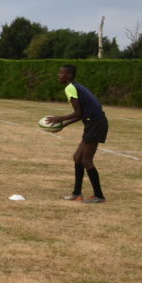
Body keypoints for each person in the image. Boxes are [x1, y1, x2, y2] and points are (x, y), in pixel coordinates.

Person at [45, 64, 108, 203]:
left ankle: (99, 196)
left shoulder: (70, 88)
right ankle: (76, 194)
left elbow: (78, 113)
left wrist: (59, 119)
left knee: (86, 160)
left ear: (69, 75)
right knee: (77, 157)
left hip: (96, 123)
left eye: (61, 73)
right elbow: (81, 114)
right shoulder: (75, 86)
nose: (58, 75)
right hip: (93, 122)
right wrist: (63, 125)